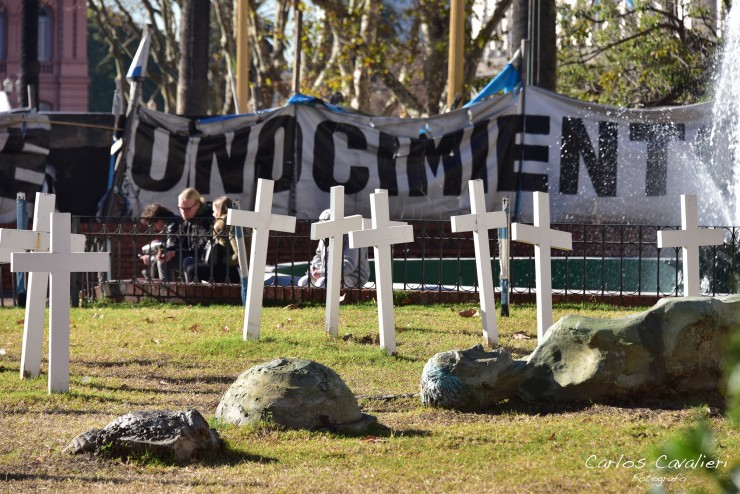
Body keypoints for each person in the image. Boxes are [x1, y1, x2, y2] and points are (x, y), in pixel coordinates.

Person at [298, 209, 370, 288]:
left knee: (322, 283)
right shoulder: (324, 237)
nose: (322, 229)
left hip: (352, 277)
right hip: (328, 274)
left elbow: (348, 266)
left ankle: (326, 300)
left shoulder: (351, 237)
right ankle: (311, 300)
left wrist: (322, 273)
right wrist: (314, 268)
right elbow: (318, 256)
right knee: (304, 282)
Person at [186, 195, 244, 283]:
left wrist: (223, 260)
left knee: (192, 270)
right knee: (189, 263)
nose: (213, 214)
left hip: (231, 271)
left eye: (214, 211)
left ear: (220, 211)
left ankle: (192, 296)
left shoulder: (230, 225)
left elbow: (239, 254)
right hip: (223, 267)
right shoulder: (221, 224)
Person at [162, 187, 212, 281]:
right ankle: (166, 292)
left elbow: (201, 249)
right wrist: (167, 250)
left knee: (187, 261)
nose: (183, 212)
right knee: (163, 259)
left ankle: (188, 292)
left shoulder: (207, 220)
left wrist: (175, 252)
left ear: (197, 205)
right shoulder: (188, 219)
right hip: (192, 256)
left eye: (187, 209)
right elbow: (178, 239)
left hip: (205, 260)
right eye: (180, 208)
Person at [139, 203, 180, 280]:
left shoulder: (173, 224)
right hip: (183, 254)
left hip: (187, 255)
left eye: (152, 225)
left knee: (162, 261)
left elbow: (170, 250)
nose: (154, 229)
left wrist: (151, 258)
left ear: (157, 220)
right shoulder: (172, 221)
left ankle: (167, 289)